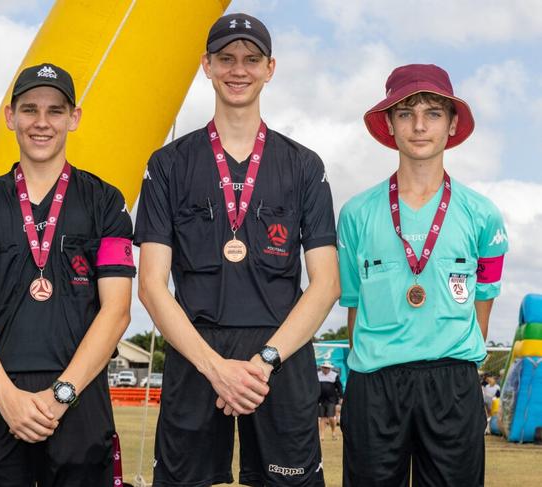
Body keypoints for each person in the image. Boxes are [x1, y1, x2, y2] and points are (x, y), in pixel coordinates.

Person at [135, 13, 340, 487]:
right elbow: (150, 285)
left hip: (280, 356)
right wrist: (215, 368)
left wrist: (262, 363)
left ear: (271, 68)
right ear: (206, 66)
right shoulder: (168, 164)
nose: (238, 70)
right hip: (195, 352)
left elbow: (326, 283)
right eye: (226, 59)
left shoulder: (304, 166)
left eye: (251, 59)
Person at [0, 63, 135, 486]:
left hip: (78, 397)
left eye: (55, 110)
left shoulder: (106, 202)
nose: (41, 123)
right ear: (10, 117)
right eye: (29, 109)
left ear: (74, 117)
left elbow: (117, 311)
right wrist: (5, 396)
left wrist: (62, 395)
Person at [337, 64, 509, 486]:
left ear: (452, 124)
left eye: (433, 113)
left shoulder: (483, 215)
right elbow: (354, 305)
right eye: (405, 112)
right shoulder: (356, 213)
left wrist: (455, 360)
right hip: (374, 386)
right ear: (389, 124)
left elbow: (482, 300)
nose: (418, 125)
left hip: (452, 384)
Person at [317, 362, 343, 440]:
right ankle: (321, 435)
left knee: (331, 417)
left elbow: (339, 387)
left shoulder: (334, 375)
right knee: (322, 418)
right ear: (321, 367)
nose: (326, 369)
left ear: (330, 368)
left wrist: (341, 397)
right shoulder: (317, 375)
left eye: (327, 368)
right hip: (321, 399)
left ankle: (333, 432)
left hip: (331, 400)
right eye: (324, 367)